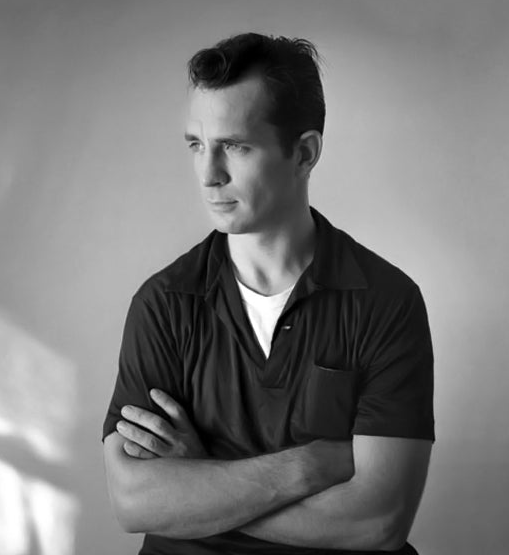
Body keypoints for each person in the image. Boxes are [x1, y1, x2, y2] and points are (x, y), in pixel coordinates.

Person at [102, 32, 435, 555]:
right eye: (196, 145)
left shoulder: (387, 302)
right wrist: (310, 465)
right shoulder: (163, 304)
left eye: (235, 146)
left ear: (304, 153)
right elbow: (133, 502)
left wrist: (199, 484)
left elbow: (378, 522)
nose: (209, 174)